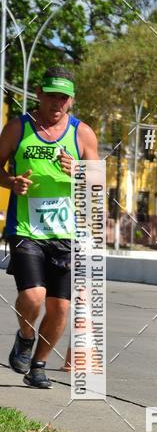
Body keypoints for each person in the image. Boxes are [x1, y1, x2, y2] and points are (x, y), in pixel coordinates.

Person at [0, 66, 98, 388]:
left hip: (66, 234)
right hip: (26, 228)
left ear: (70, 101)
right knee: (34, 296)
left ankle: (38, 365)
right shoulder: (18, 128)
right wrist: (10, 182)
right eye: (51, 96)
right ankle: (26, 336)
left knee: (60, 307)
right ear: (38, 94)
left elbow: (96, 187)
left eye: (63, 98)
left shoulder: (82, 134)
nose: (56, 103)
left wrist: (79, 172)